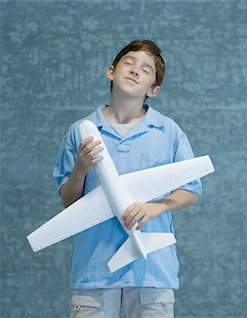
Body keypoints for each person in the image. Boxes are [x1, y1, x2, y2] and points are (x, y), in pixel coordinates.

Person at [54, 39, 202, 317]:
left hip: (153, 272)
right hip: (93, 272)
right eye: (129, 62)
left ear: (153, 89)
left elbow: (191, 189)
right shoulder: (80, 132)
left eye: (146, 70)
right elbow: (68, 202)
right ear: (111, 71)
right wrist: (81, 168)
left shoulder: (168, 131)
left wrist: (154, 208)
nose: (135, 70)